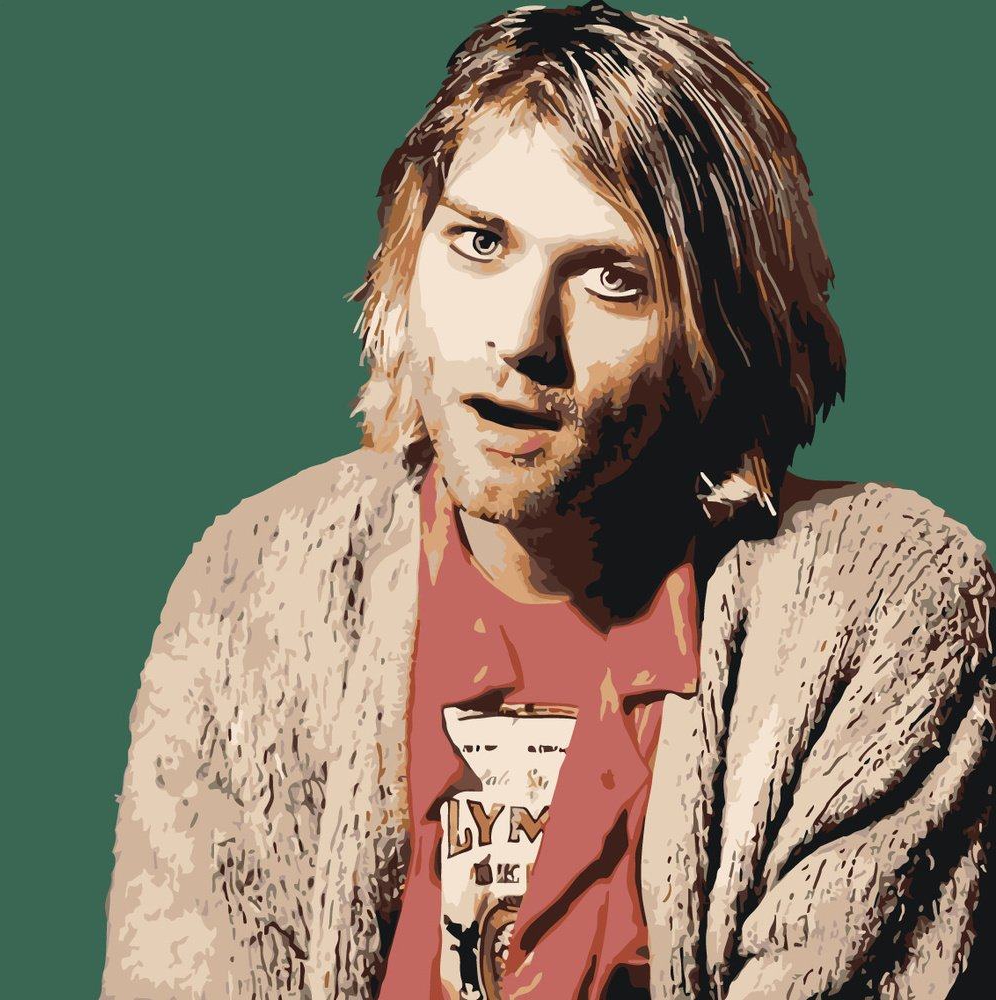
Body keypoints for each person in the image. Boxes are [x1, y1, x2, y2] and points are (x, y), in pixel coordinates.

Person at [101, 3, 995, 998]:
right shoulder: (259, 583)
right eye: (480, 241)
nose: (523, 335)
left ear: (723, 333)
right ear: (408, 254)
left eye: (614, 278)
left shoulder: (875, 609)